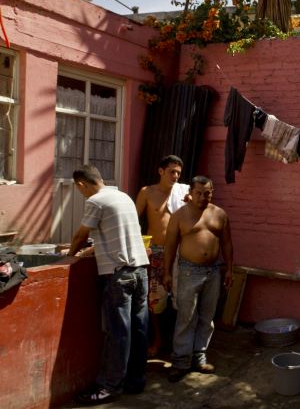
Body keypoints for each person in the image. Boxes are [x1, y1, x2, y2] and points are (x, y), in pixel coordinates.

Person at [67, 165, 150, 405]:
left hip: (119, 276)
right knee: (138, 329)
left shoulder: (96, 201)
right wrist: (93, 249)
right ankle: (135, 381)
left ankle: (109, 386)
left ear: (82, 184)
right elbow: (117, 235)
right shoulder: (123, 196)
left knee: (118, 333)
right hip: (140, 272)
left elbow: (80, 235)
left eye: (79, 189)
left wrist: (69, 256)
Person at [162, 175, 234, 382]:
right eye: (199, 193)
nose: (203, 197)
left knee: (207, 317)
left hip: (213, 271)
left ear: (212, 192)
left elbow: (227, 244)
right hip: (188, 271)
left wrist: (229, 269)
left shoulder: (220, 214)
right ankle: (180, 361)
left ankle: (199, 357)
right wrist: (166, 272)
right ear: (190, 193)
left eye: (207, 193)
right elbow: (170, 246)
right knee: (186, 317)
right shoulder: (179, 216)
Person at [135, 154, 190, 357]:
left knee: (180, 298)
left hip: (178, 251)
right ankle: (157, 340)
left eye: (178, 173)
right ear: (161, 171)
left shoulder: (184, 193)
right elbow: (133, 220)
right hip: (156, 252)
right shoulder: (147, 193)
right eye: (171, 172)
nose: (175, 176)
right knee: (155, 299)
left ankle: (177, 343)